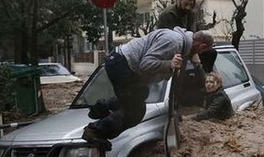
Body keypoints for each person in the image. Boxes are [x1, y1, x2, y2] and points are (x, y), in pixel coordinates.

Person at [83, 27, 214, 150]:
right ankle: (94, 131)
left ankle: (101, 107)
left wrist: (176, 66)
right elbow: (145, 64)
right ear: (202, 47)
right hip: (122, 66)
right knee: (135, 112)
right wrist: (170, 65)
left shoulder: (180, 41)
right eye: (201, 51)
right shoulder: (174, 42)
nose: (198, 54)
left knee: (141, 93)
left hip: (121, 63)